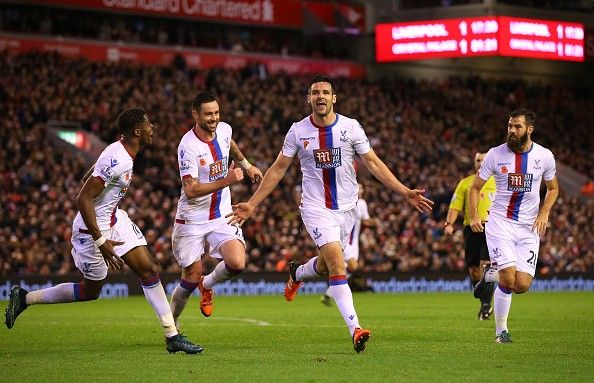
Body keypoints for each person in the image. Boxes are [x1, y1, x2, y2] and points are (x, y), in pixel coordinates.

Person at [227, 74, 433, 353]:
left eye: (325, 92)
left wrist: (404, 191)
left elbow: (372, 162)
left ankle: (298, 273)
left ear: (334, 98)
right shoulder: (298, 131)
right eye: (315, 92)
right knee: (338, 264)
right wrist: (252, 203)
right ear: (309, 99)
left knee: (324, 266)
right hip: (315, 207)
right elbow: (278, 168)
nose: (320, 96)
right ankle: (356, 329)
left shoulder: (350, 127)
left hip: (347, 209)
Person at [4, 108, 203, 354]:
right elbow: (82, 199)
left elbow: (92, 174)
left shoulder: (120, 152)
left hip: (113, 219)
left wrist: (97, 181)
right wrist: (100, 240)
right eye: (149, 124)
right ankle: (24, 298)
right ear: (137, 132)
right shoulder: (118, 158)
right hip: (91, 229)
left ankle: (172, 335)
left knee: (148, 269)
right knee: (90, 292)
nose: (153, 128)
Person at [168, 91, 263, 330]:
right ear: (195, 115)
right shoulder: (187, 146)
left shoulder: (224, 129)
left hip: (221, 214)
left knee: (237, 262)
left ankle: (207, 285)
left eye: (216, 113)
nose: (214, 118)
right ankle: (172, 325)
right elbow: (190, 190)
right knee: (190, 276)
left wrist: (247, 165)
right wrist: (228, 180)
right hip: (192, 220)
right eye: (208, 114)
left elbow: (230, 144)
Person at [470, 108, 558, 343]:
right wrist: (474, 216)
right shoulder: (495, 154)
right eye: (509, 126)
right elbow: (475, 187)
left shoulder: (544, 156)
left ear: (529, 129)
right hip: (500, 224)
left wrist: (544, 213)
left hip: (529, 227)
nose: (512, 130)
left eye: (517, 127)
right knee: (508, 281)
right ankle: (501, 332)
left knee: (522, 285)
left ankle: (490, 275)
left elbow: (553, 188)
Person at [443, 152, 496, 320]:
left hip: (491, 227)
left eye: (483, 160)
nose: (480, 163)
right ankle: (484, 303)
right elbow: (455, 206)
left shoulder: (498, 182)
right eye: (478, 160)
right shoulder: (465, 183)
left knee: (486, 265)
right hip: (471, 229)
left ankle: (487, 306)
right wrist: (449, 224)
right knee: (474, 269)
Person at [321, 183, 375, 306]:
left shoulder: (352, 202)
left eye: (362, 187)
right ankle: (358, 289)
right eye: (359, 187)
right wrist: (376, 221)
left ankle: (329, 294)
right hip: (347, 242)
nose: (362, 189)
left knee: (345, 270)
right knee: (354, 268)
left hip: (352, 243)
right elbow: (367, 220)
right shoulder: (360, 203)